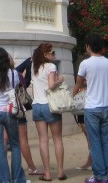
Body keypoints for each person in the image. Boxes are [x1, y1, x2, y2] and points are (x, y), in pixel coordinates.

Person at [73, 33, 108, 183]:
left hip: (92, 107)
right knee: (106, 142)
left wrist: (71, 96)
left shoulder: (85, 63)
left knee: (95, 143)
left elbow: (78, 83)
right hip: (106, 106)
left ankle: (99, 175)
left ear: (88, 46)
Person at [0, 47, 28, 183]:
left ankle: (4, 180)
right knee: (15, 145)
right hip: (10, 110)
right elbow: (17, 89)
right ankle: (17, 178)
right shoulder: (14, 73)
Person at [32, 43, 66, 181]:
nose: (54, 55)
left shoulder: (34, 67)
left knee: (43, 140)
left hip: (37, 105)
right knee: (57, 139)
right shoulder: (51, 66)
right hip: (50, 105)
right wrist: (60, 80)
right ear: (45, 54)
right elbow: (51, 85)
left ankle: (47, 173)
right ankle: (60, 171)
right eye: (52, 53)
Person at [15, 55, 45, 177]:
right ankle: (32, 167)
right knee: (22, 140)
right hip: (16, 109)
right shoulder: (15, 75)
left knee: (4, 141)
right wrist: (28, 63)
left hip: (1, 110)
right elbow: (24, 84)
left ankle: (3, 170)